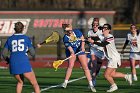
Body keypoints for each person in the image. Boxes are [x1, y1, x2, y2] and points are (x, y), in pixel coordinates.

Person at [91, 24, 132, 92]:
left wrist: (93, 41)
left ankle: (114, 86)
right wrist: (86, 39)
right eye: (103, 28)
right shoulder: (103, 36)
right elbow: (95, 38)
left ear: (109, 30)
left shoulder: (110, 36)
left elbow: (103, 44)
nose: (104, 29)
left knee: (106, 75)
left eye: (106, 28)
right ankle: (127, 76)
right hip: (111, 58)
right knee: (112, 74)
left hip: (114, 58)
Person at [2, 22, 40, 93]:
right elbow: (32, 53)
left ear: (14, 29)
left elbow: (4, 54)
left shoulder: (10, 39)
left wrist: (9, 60)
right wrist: (36, 48)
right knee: (34, 83)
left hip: (13, 64)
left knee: (20, 82)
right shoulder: (26, 38)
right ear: (23, 29)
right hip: (23, 63)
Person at [61, 24, 96, 92]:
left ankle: (91, 84)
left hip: (80, 49)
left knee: (85, 67)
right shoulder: (65, 38)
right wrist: (72, 53)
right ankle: (65, 82)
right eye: (67, 31)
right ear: (65, 31)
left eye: (70, 30)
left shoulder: (77, 31)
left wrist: (82, 47)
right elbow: (70, 48)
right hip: (71, 51)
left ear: (71, 28)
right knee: (70, 65)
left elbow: (82, 39)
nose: (69, 32)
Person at [87, 18, 105, 86]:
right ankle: (92, 81)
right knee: (94, 64)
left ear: (98, 25)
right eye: (93, 24)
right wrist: (88, 41)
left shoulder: (101, 32)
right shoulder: (89, 32)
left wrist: (92, 40)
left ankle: (95, 76)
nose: (95, 26)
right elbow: (89, 40)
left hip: (100, 50)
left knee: (98, 67)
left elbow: (101, 39)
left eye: (96, 25)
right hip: (93, 50)